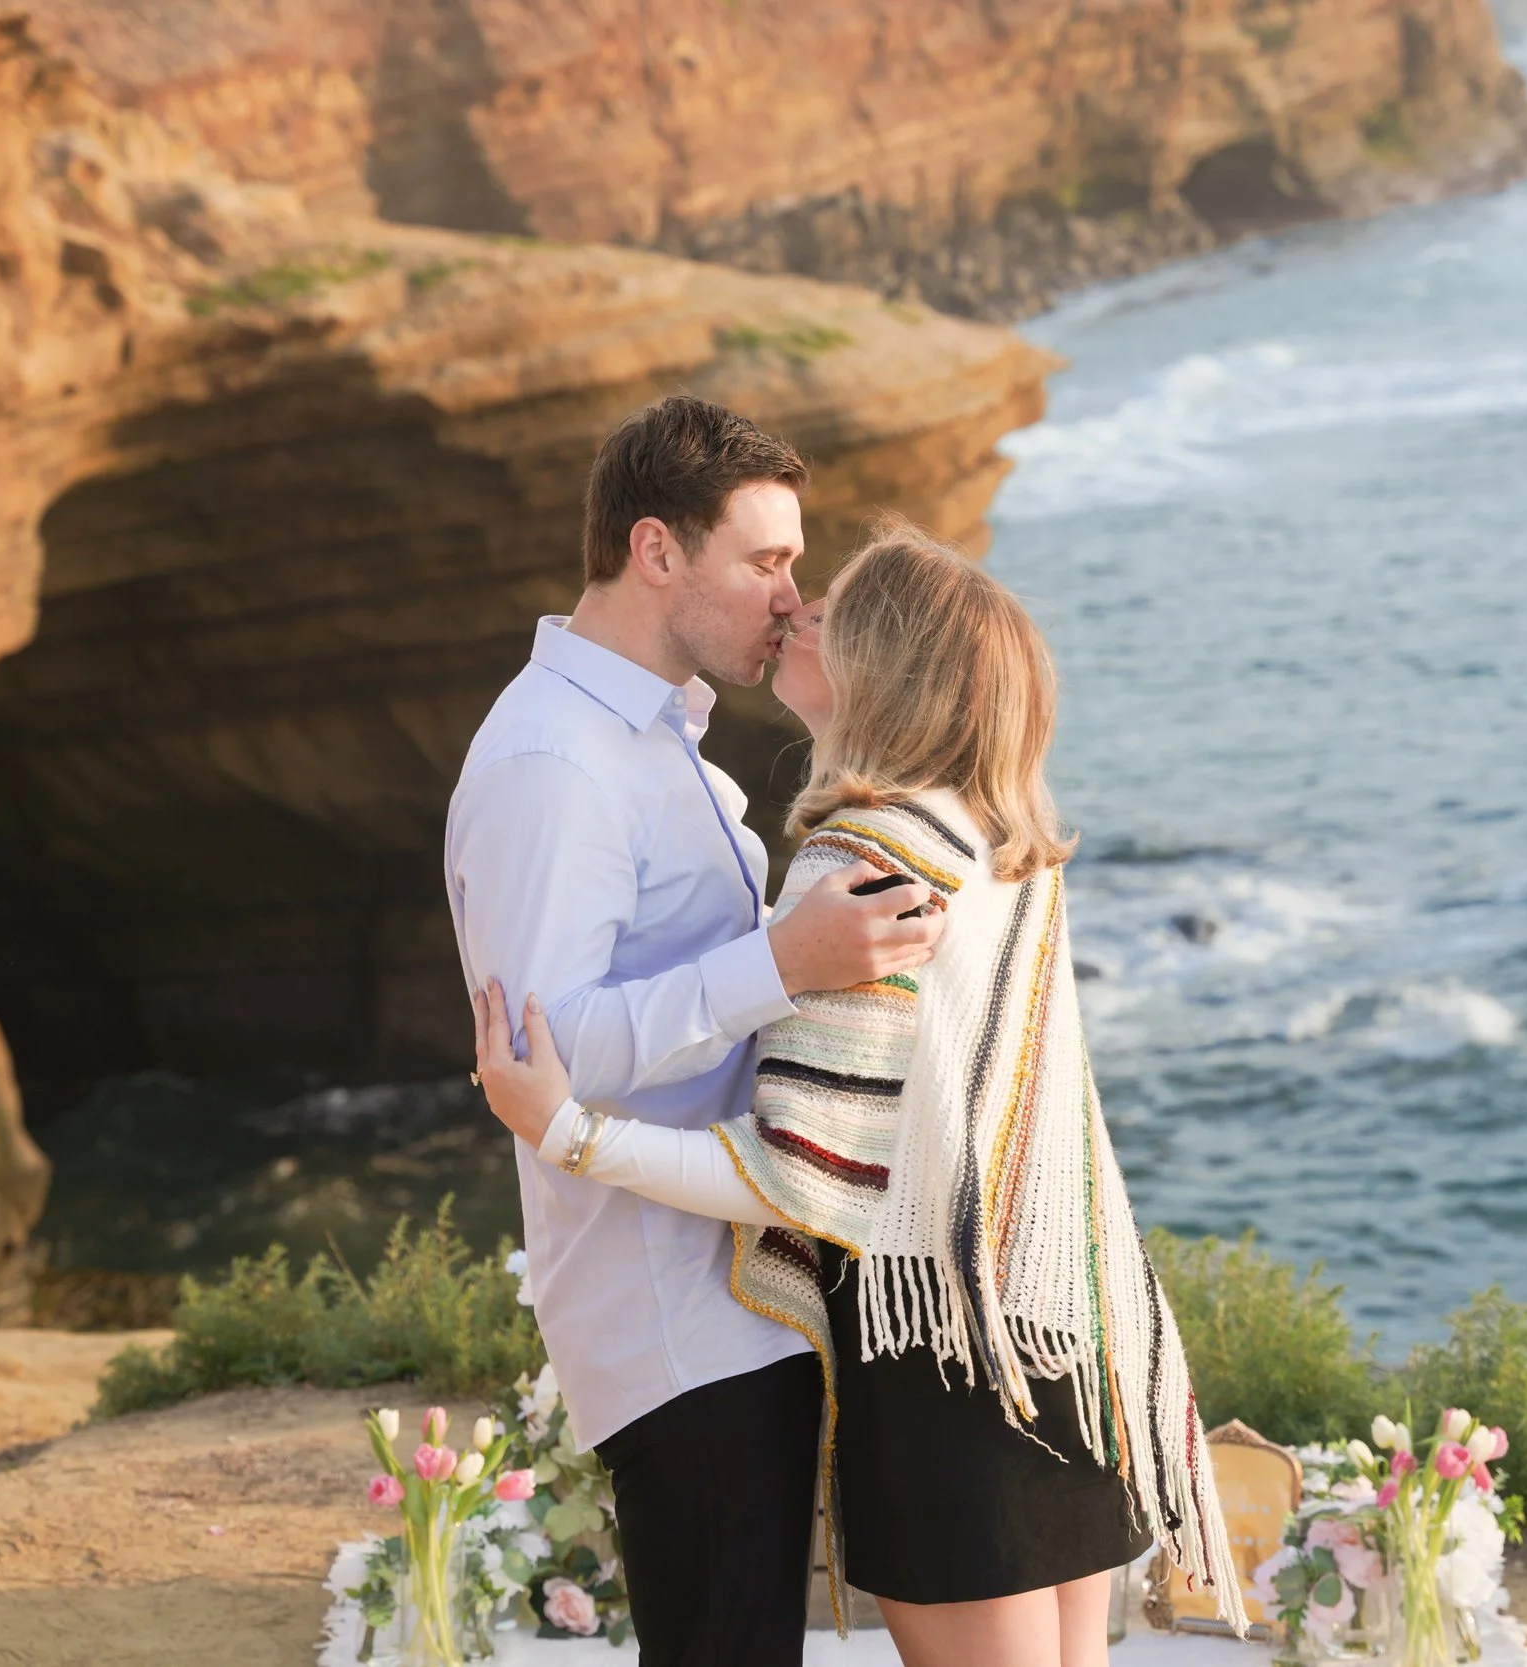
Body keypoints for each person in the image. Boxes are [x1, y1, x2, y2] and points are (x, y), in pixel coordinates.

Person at [470, 522, 1247, 1667]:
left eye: (829, 607)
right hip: (1060, 1321)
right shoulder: (994, 837)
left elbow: (797, 1176)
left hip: (945, 1355)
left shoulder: (864, 859)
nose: (795, 609)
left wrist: (570, 1131)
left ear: (881, 666)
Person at [442, 396, 948, 1667]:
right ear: (657, 550)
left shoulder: (658, 740)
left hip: (732, 1285)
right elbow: (541, 1054)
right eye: (765, 561)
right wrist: (782, 961)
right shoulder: (554, 765)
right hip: (669, 1318)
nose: (792, 596)